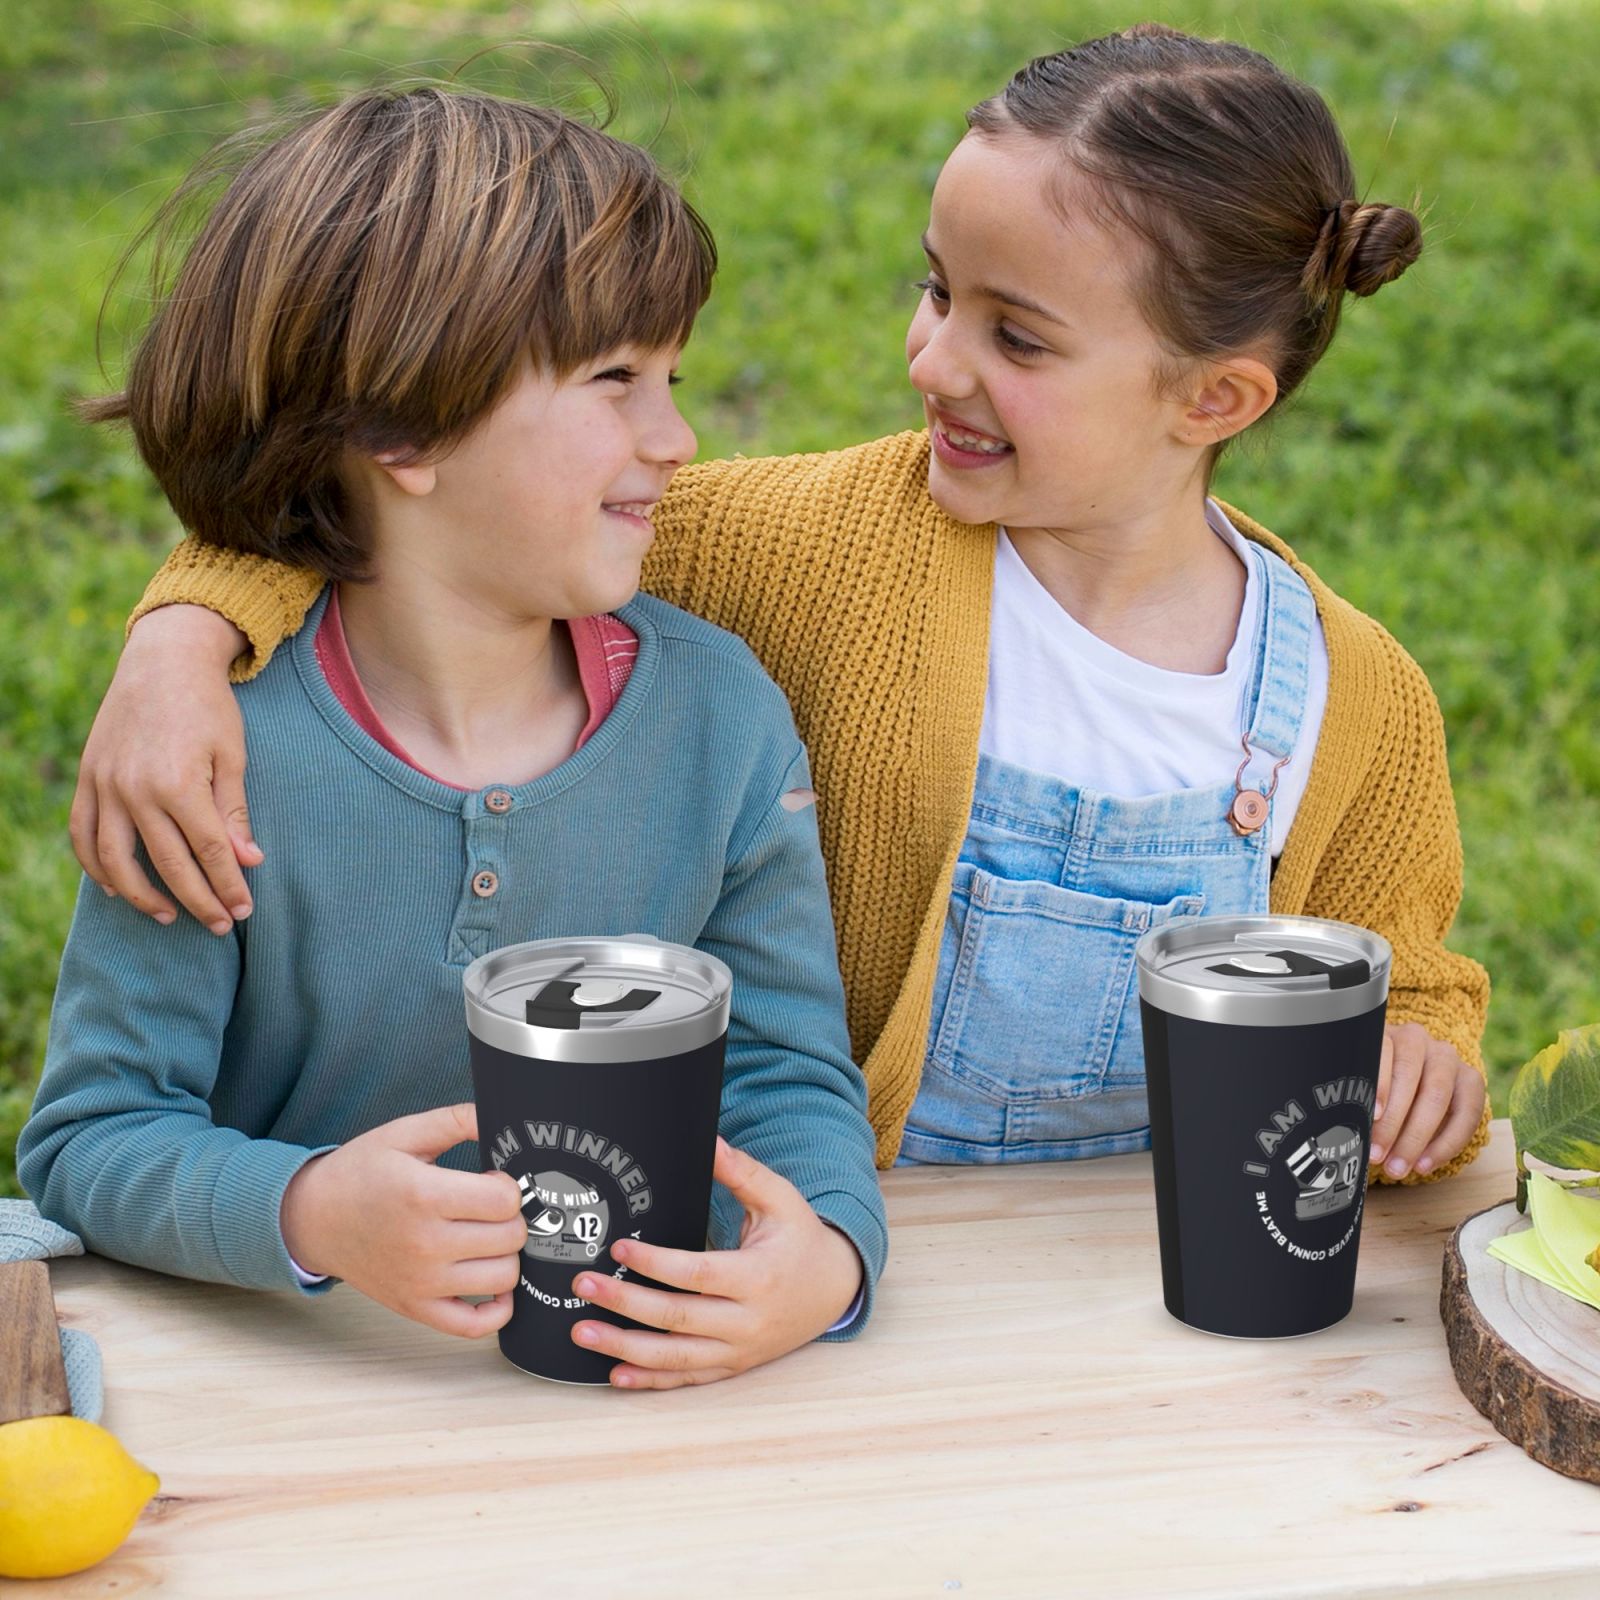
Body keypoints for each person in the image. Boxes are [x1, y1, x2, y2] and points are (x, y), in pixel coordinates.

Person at [68, 25, 1490, 1189]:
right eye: (937, 290)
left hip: (1157, 1285)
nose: (933, 358)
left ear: (1216, 398)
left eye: (1018, 335)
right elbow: (419, 506)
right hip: (848, 1251)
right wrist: (185, 635)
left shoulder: (1353, 698)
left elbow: (1402, 975)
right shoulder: (807, 547)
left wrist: (1420, 1052)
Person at [20, 86, 887, 1390]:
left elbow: (778, 1069)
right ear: (398, 429)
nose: (677, 438)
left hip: (636, 1408)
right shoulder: (208, 758)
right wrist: (312, 1210)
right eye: (614, 383)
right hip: (300, 1399)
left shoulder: (723, 720)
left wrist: (824, 1254)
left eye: (673, 379)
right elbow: (94, 1138)